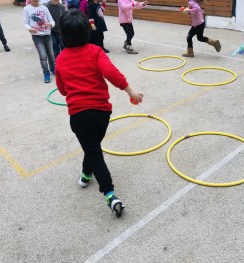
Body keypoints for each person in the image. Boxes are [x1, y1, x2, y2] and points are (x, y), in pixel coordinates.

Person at [56, 9, 143, 218]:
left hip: (79, 115)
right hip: (102, 113)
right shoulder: (95, 51)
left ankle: (110, 194)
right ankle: (86, 174)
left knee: (94, 152)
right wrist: (131, 91)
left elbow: (62, 89)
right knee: (93, 147)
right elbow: (111, 73)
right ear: (88, 31)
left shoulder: (60, 59)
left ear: (62, 35)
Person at [23, 0, 55, 83]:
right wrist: (29, 29)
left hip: (47, 35)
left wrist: (50, 24)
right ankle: (46, 73)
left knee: (51, 54)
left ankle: (53, 69)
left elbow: (52, 21)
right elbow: (25, 23)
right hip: (37, 37)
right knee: (43, 56)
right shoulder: (27, 9)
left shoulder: (44, 8)